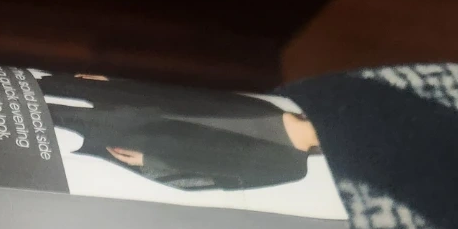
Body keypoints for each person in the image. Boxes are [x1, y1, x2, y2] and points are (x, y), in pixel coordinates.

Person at [43, 73, 321, 192]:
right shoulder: (273, 108)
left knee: (54, 118)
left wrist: (151, 161)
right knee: (49, 85)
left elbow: (222, 177)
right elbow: (190, 96)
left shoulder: (292, 168)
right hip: (141, 102)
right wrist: (115, 84)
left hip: (153, 141)